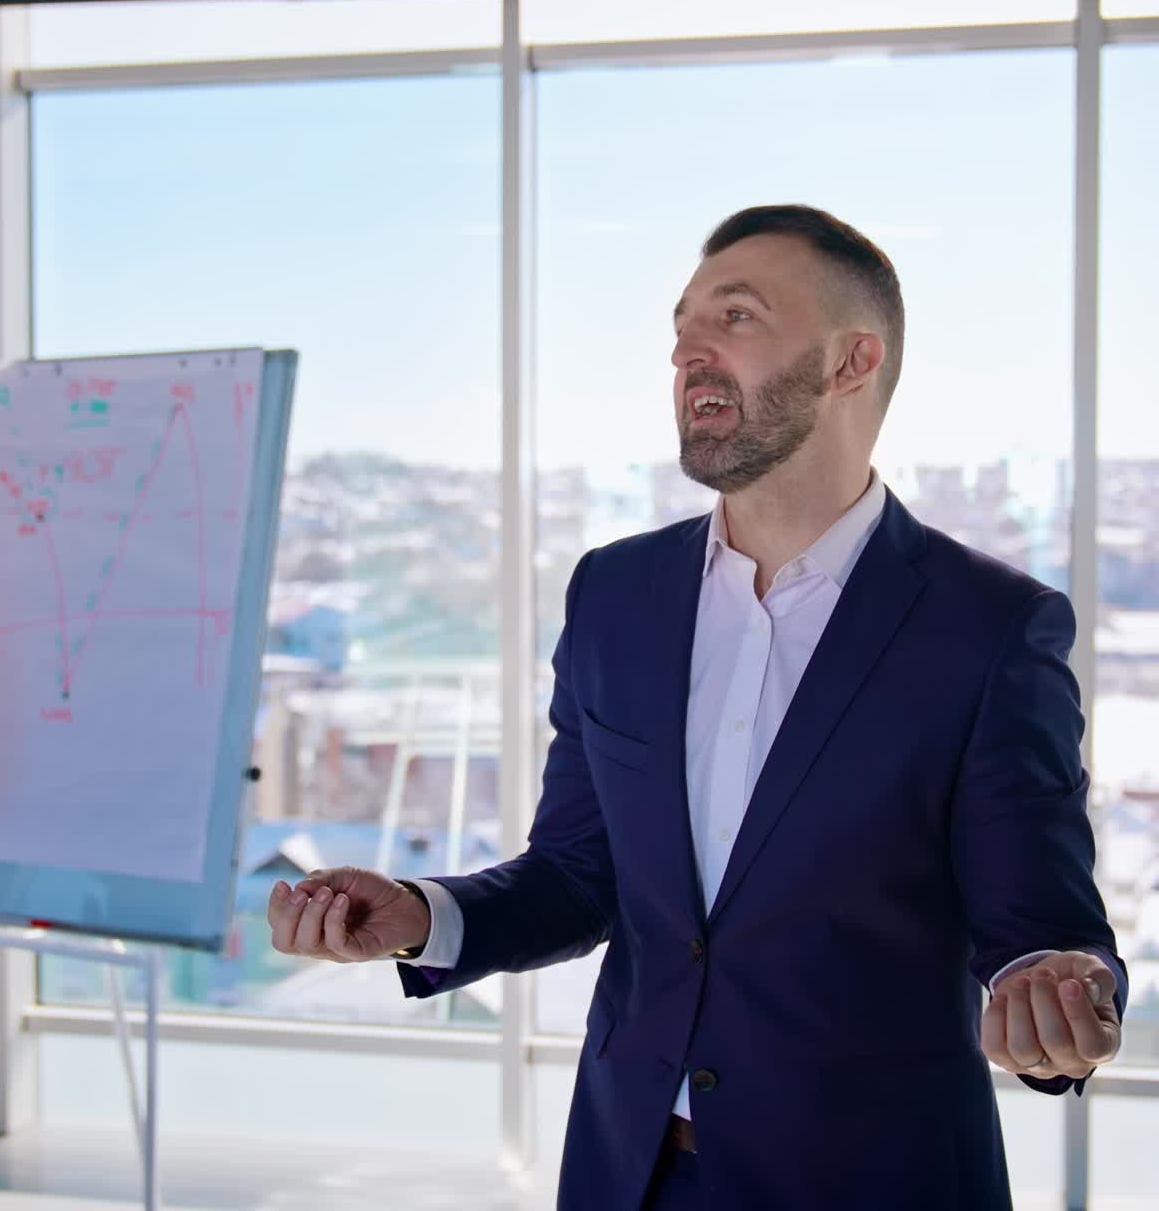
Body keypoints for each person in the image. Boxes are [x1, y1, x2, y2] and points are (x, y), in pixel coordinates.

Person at [267, 205, 1126, 1210]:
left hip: (872, 1179)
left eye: (736, 315)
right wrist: (419, 915)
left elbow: (1038, 926)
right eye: (681, 326)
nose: (686, 348)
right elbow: (580, 872)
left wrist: (1055, 992)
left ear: (851, 361)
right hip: (628, 1170)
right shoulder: (612, 594)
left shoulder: (988, 627)